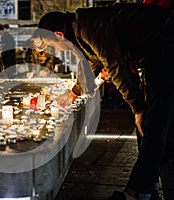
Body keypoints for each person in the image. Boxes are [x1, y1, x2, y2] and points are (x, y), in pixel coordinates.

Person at [37, 3, 174, 200]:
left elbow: (115, 66)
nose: (54, 49)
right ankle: (147, 187)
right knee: (153, 125)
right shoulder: (82, 30)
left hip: (166, 44)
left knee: (155, 121)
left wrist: (137, 108)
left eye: (51, 44)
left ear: (58, 34)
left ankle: (139, 192)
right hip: (158, 50)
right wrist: (73, 94)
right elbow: (91, 62)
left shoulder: (88, 28)